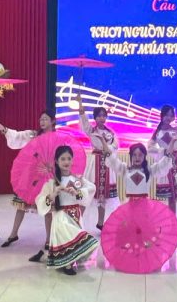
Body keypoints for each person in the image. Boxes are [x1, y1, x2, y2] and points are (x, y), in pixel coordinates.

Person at [0, 110, 56, 261]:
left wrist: (52, 165)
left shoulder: (57, 138)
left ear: (52, 121)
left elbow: (60, 156)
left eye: (45, 119)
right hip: (31, 175)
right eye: (41, 119)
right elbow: (16, 136)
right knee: (21, 205)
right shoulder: (33, 135)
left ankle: (48, 239)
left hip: (47, 176)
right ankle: (13, 234)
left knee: (48, 208)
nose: (42, 122)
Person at [35, 145, 98, 275]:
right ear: (56, 161)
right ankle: (67, 264)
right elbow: (40, 200)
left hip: (76, 216)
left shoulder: (77, 179)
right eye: (62, 159)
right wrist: (53, 194)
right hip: (61, 216)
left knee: (84, 242)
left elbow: (92, 188)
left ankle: (47, 256)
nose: (66, 162)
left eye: (69, 158)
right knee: (67, 233)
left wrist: (77, 192)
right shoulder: (52, 182)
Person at [76, 93, 118, 229]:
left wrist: (108, 149)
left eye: (104, 115)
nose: (101, 118)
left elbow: (115, 146)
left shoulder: (111, 133)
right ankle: (77, 221)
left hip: (106, 163)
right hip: (95, 163)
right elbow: (83, 119)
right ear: (95, 118)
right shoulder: (91, 130)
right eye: (99, 116)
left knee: (103, 196)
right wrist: (80, 103)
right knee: (87, 192)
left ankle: (100, 223)